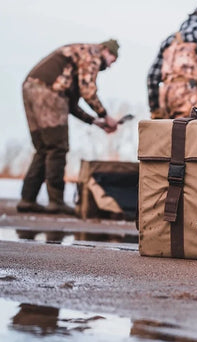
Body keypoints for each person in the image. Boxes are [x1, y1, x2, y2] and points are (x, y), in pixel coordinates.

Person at [17, 39, 120, 214]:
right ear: (106, 51)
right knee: (58, 147)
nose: (110, 66)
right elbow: (88, 91)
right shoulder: (93, 53)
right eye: (112, 59)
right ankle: (56, 202)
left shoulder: (75, 61)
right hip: (49, 92)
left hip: (31, 88)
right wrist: (106, 115)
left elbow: (71, 105)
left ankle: (27, 199)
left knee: (44, 148)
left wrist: (95, 122)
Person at [147, 6, 197, 119]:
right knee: (187, 134)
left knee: (165, 135)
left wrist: (154, 108)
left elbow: (152, 76)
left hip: (165, 95)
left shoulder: (170, 39)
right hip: (188, 95)